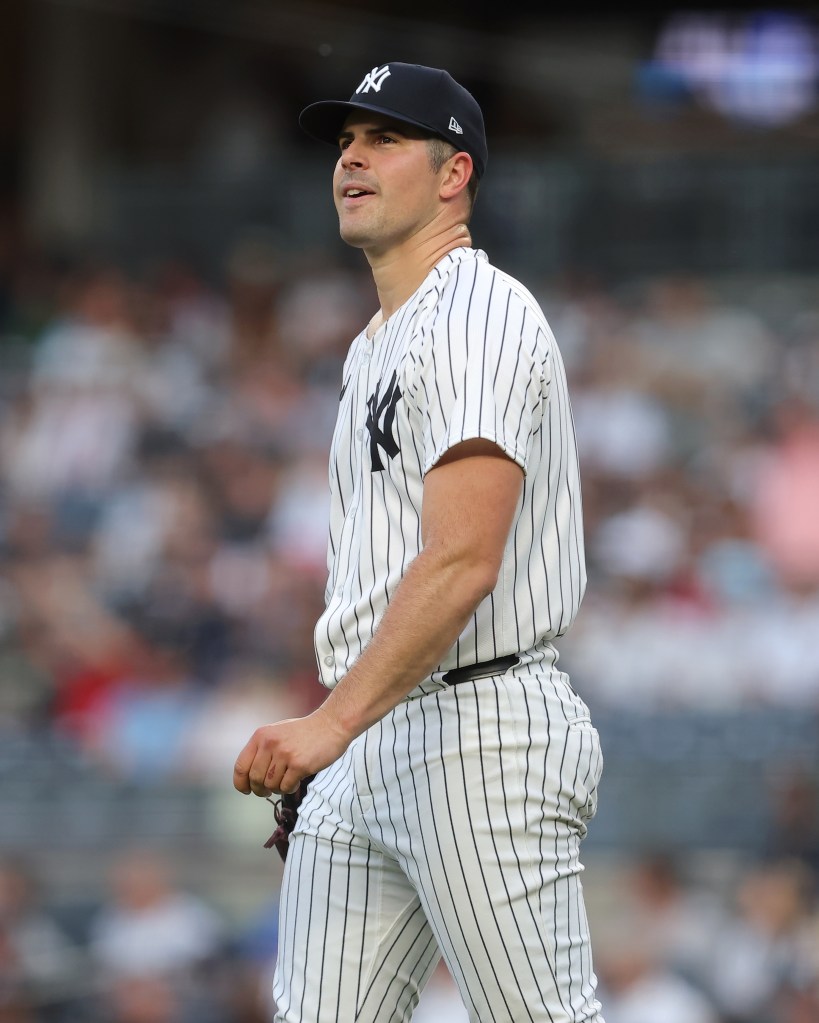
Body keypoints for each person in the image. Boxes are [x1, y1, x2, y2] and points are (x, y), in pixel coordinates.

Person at [234, 60, 606, 1023]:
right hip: (373, 730)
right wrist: (343, 732)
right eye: (347, 142)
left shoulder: (480, 314)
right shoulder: (374, 341)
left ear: (454, 175)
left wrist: (326, 723)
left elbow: (461, 559)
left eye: (385, 138)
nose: (351, 158)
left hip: (477, 727)